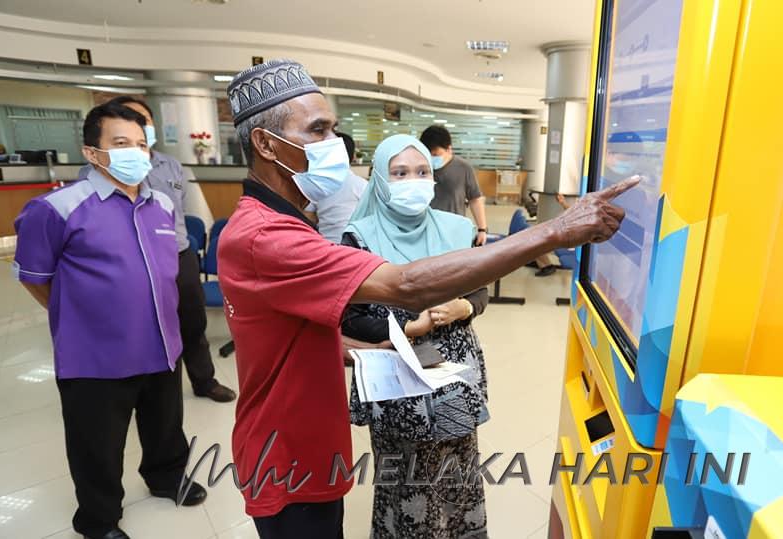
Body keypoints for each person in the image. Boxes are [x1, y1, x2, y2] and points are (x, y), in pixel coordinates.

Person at [216, 59, 636, 539]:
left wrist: (364, 353)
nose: (335, 144)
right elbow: (406, 287)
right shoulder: (264, 236)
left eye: (333, 129)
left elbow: (291, 338)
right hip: (286, 455)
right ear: (267, 144)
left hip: (312, 444)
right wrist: (555, 232)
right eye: (318, 130)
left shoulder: (289, 222)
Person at [13, 102, 207, 539]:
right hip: (94, 357)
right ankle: (98, 519)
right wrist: (81, 315)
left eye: (141, 144)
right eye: (121, 144)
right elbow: (35, 278)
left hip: (161, 343)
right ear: (93, 153)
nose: (135, 153)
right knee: (96, 445)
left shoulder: (159, 204)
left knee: (165, 427)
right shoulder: (57, 209)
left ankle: (166, 477)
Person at [342, 134, 491, 538]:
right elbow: (351, 319)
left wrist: (466, 306)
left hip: (453, 371)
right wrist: (409, 327)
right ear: (380, 180)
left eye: (422, 172)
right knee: (406, 482)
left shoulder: (458, 229)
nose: (413, 181)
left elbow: (480, 288)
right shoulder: (358, 237)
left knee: (459, 476)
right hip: (396, 374)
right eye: (400, 173)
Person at [78, 96, 236, 403]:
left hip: (177, 255)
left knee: (192, 323)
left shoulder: (172, 166)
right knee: (142, 328)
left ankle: (204, 380)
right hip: (129, 262)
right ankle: (146, 390)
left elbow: (186, 212)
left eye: (143, 122)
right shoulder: (94, 171)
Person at [419, 125, 489, 246]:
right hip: (424, 230)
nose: (431, 158)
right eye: (428, 154)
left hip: (453, 231)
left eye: (436, 154)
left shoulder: (463, 168)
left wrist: (482, 229)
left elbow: (475, 200)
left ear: (449, 149)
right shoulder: (418, 168)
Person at [302, 131, 367, 243]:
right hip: (357, 246)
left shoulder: (319, 184)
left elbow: (308, 216)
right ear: (353, 158)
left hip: (326, 245)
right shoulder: (361, 184)